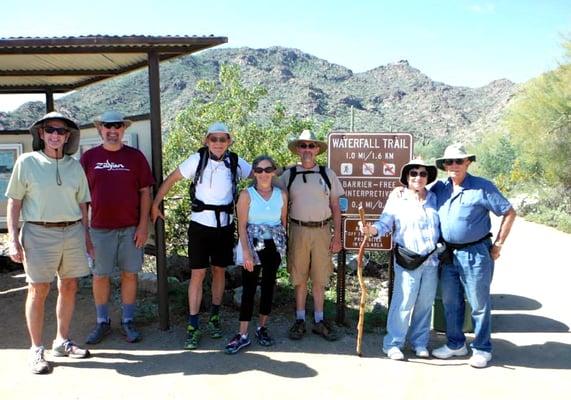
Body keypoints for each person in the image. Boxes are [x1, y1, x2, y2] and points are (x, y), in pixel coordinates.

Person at [151, 122, 251, 350]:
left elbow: (261, 175)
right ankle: (193, 325)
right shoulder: (197, 160)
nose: (217, 143)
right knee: (197, 274)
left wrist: (280, 189)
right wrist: (156, 204)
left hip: (224, 226)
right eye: (213, 139)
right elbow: (172, 179)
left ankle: (214, 317)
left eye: (222, 139)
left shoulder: (235, 162)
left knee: (219, 271)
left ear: (229, 142)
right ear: (206, 141)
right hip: (200, 226)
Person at [5, 112, 92, 374]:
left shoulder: (74, 165)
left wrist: (86, 237)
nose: (56, 135)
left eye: (61, 131)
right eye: (50, 130)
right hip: (38, 232)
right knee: (38, 290)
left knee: (69, 286)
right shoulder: (27, 162)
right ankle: (36, 349)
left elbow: (82, 203)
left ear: (68, 137)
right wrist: (13, 238)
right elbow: (14, 202)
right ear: (41, 134)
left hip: (73, 231)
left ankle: (61, 341)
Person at [430, 143, 516, 368]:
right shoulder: (440, 188)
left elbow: (509, 212)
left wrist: (498, 243)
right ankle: (456, 344)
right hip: (448, 254)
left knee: (479, 303)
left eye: (459, 161)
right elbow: (417, 193)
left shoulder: (482, 187)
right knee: (450, 302)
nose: (454, 165)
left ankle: (482, 348)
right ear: (444, 166)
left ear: (468, 162)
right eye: (449, 162)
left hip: (475, 253)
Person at [80, 111, 154, 344]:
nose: (113, 131)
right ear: (100, 129)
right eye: (107, 126)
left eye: (117, 126)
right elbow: (82, 199)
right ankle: (102, 322)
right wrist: (85, 233)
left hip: (130, 228)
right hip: (100, 229)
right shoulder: (89, 158)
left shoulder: (135, 157)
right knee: (100, 275)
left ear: (123, 129)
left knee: (129, 274)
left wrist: (143, 227)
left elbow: (145, 192)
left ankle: (128, 320)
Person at [360, 159, 440, 361]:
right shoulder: (397, 198)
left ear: (427, 177)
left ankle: (419, 342)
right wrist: (372, 230)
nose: (418, 177)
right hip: (408, 259)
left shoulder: (434, 198)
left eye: (422, 174)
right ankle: (393, 343)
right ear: (406, 177)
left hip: (431, 260)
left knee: (425, 304)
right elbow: (385, 222)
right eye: (413, 173)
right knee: (403, 302)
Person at [280, 129, 344, 341]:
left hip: (323, 231)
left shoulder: (328, 174)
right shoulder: (288, 175)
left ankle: (318, 320)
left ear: (317, 149)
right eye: (303, 146)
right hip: (297, 229)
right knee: (299, 277)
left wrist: (337, 237)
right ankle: (299, 320)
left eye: (311, 146)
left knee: (319, 277)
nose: (307, 150)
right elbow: (273, 196)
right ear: (298, 149)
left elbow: (336, 206)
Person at [224, 155, 288, 354]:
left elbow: (283, 222)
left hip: (274, 246)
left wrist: (282, 247)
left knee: (269, 286)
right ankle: (242, 333)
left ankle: (262, 327)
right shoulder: (247, 195)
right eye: (259, 170)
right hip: (253, 244)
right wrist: (246, 253)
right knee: (249, 288)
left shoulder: (281, 195)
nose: (263, 174)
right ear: (254, 172)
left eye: (268, 170)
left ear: (274, 172)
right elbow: (241, 226)